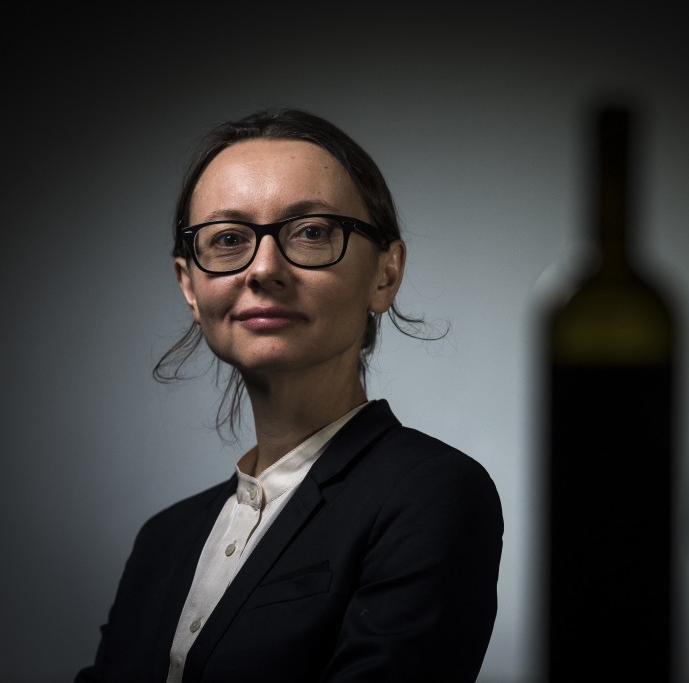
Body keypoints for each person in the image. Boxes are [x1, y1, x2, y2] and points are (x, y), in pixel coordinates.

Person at [75, 107, 504, 683]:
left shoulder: (431, 493)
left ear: (386, 274)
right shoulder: (164, 540)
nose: (264, 268)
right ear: (190, 286)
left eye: (311, 232)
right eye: (228, 239)